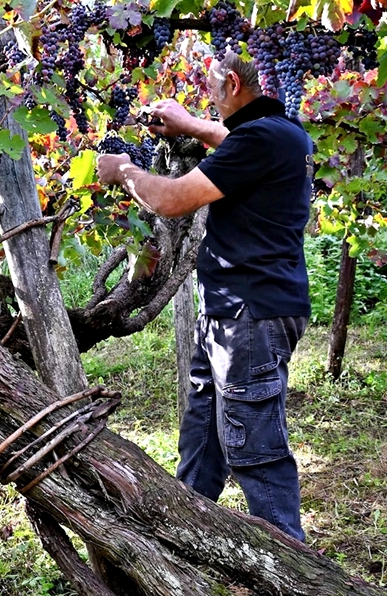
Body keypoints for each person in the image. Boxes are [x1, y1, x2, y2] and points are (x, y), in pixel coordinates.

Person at [96, 52, 312, 541]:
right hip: (233, 310)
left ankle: (292, 577)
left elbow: (172, 200)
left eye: (213, 93)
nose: (210, 105)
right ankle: (183, 539)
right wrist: (189, 125)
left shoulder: (259, 139)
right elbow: (227, 139)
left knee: (255, 448)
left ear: (232, 83)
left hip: (248, 315)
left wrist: (124, 170)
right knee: (203, 439)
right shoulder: (286, 135)